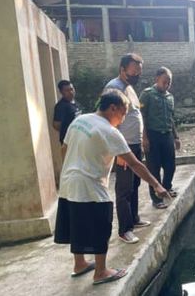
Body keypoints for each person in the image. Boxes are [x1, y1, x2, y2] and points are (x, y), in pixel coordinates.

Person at [54, 89, 171, 285]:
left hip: (68, 183)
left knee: (77, 223)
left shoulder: (80, 120)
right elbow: (135, 164)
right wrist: (157, 185)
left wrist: (71, 168)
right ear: (113, 108)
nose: (123, 119)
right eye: (123, 113)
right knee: (101, 226)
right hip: (90, 186)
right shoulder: (110, 131)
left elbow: (64, 148)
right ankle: (101, 272)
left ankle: (80, 263)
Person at [104, 53, 152, 244]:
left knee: (134, 185)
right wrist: (118, 150)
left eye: (139, 72)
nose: (137, 75)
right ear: (122, 69)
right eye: (134, 72)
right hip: (123, 146)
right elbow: (109, 119)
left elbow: (136, 114)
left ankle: (134, 218)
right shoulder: (113, 88)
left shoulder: (130, 88)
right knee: (124, 188)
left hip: (134, 144)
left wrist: (142, 139)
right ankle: (125, 229)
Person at [140, 67, 181, 209]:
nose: (167, 84)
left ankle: (167, 187)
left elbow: (171, 118)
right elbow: (142, 117)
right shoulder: (147, 94)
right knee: (154, 168)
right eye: (164, 81)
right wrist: (144, 138)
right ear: (157, 79)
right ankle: (156, 199)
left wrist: (176, 137)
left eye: (169, 82)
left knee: (170, 165)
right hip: (152, 135)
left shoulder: (170, 97)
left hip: (167, 134)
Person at [53, 80, 81, 144]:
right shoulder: (61, 106)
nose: (71, 92)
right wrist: (68, 130)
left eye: (72, 89)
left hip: (79, 138)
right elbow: (56, 125)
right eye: (67, 90)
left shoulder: (75, 103)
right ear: (61, 92)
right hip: (69, 141)